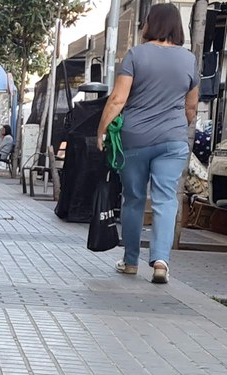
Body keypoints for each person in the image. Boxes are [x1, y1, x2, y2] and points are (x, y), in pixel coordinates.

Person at [97, 4, 198, 284]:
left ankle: (131, 261)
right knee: (165, 199)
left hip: (135, 139)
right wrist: (175, 128)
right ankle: (161, 261)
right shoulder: (188, 59)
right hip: (172, 140)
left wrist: (102, 130)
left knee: (133, 200)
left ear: (151, 24)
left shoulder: (136, 55)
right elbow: (191, 107)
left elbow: (118, 99)